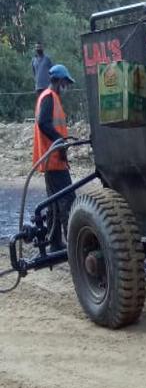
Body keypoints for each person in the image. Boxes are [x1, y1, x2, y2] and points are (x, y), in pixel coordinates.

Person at [33, 63, 76, 251]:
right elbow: (43, 123)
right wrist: (59, 140)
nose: (66, 86)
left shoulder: (49, 97)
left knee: (54, 203)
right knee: (68, 200)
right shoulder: (49, 97)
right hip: (53, 159)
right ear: (58, 81)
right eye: (65, 83)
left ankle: (55, 242)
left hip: (52, 159)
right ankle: (74, 243)